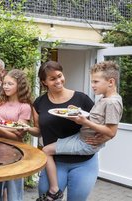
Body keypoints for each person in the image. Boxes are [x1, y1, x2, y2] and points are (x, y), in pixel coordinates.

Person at [39, 61, 123, 201]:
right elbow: (97, 118)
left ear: (110, 82)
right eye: (92, 81)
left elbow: (111, 131)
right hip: (80, 138)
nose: (92, 85)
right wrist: (78, 112)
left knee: (46, 150)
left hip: (84, 144)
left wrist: (86, 122)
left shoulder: (111, 102)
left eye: (96, 81)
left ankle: (54, 190)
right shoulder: (105, 99)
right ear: (44, 82)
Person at [0, 69, 32, 201]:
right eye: (4, 83)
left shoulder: (25, 107)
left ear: (20, 86)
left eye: (10, 84)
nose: (5, 86)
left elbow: (18, 136)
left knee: (14, 195)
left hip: (15, 153)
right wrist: (9, 129)